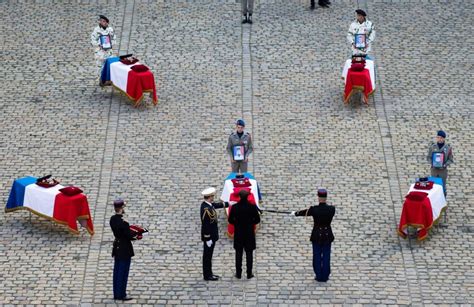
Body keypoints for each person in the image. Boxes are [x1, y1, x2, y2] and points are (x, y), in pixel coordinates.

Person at [292, 189, 335, 282]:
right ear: (326, 197)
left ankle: (318, 275)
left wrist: (296, 213)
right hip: (327, 234)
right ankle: (325, 276)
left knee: (317, 255)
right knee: (326, 256)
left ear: (318, 197)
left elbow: (304, 212)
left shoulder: (314, 209)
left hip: (317, 235)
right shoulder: (332, 209)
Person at [228, 189, 261, 279]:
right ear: (248, 197)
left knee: (238, 254)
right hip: (249, 233)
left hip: (239, 233)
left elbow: (230, 220)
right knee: (249, 254)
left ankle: (238, 274)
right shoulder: (252, 207)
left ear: (239, 196)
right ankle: (249, 273)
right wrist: (251, 223)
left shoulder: (235, 207)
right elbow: (257, 219)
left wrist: (237, 223)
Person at [200, 187, 229, 281]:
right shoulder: (206, 210)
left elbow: (215, 205)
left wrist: (228, 204)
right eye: (212, 196)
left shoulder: (208, 205)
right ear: (210, 197)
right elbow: (206, 225)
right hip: (209, 237)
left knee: (209, 256)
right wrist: (207, 238)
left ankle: (210, 273)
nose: (213, 198)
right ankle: (207, 275)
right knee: (207, 257)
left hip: (212, 235)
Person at [110, 199, 135, 301]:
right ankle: (121, 294)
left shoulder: (112, 219)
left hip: (117, 247)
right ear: (121, 208)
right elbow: (129, 235)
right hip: (124, 248)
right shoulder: (123, 223)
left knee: (117, 271)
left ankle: (116, 293)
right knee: (123, 272)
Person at [427, 130, 453, 196]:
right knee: (433, 186)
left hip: (443, 171)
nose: (439, 139)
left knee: (442, 187)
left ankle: (443, 201)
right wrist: (432, 163)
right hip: (434, 170)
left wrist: (445, 164)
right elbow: (428, 157)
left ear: (444, 138)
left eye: (441, 137)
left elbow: (450, 159)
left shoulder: (448, 148)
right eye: (438, 137)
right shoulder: (433, 147)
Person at [90, 15, 116, 81]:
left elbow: (114, 39)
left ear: (107, 23)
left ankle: (109, 79)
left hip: (108, 52)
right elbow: (92, 40)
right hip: (100, 52)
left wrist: (111, 44)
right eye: (101, 21)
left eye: (104, 21)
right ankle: (100, 79)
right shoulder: (96, 30)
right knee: (99, 66)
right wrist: (99, 44)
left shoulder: (110, 30)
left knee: (109, 65)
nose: (102, 22)